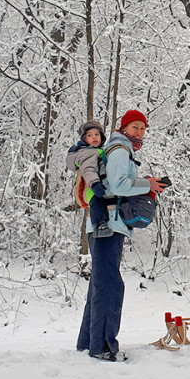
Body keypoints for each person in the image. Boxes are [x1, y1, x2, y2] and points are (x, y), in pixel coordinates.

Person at [77, 109, 168, 362]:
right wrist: (147, 185)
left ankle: (87, 343)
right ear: (124, 128)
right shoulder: (120, 149)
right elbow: (117, 186)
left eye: (142, 128)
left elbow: (113, 182)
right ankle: (103, 347)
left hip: (102, 225)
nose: (139, 132)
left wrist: (142, 181)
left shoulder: (117, 149)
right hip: (108, 224)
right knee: (109, 286)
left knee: (100, 284)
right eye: (134, 127)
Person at [66, 120, 112, 238]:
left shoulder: (99, 151)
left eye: (97, 134)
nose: (94, 137)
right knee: (97, 202)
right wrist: (95, 183)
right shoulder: (88, 153)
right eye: (90, 135)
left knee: (102, 203)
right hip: (91, 188)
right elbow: (88, 169)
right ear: (84, 139)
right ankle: (99, 225)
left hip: (97, 186)